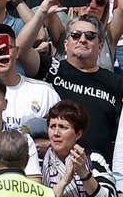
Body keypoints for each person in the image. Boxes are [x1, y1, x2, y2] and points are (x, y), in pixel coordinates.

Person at [21, 15, 123, 166]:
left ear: (100, 46)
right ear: (66, 44)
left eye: (90, 36)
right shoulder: (51, 69)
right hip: (54, 168)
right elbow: (21, 49)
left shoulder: (116, 82)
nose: (82, 39)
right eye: (76, 35)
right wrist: (43, 11)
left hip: (98, 170)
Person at [42, 100, 118, 197]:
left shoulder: (94, 159)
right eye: (52, 126)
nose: (56, 133)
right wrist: (65, 180)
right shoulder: (39, 163)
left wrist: (84, 172)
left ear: (78, 134)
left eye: (63, 127)